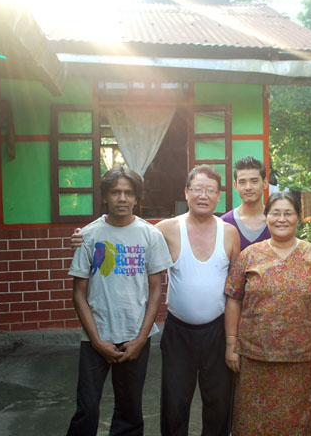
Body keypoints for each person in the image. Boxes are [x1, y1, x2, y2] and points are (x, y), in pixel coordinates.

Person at [67, 166, 173, 436]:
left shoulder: (151, 235)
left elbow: (156, 291)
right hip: (95, 336)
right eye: (115, 192)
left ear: (137, 198)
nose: (122, 198)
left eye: (128, 193)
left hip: (134, 337)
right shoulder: (88, 236)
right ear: (105, 196)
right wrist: (97, 341)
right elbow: (79, 293)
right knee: (87, 408)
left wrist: (140, 339)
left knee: (129, 410)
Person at [224, 191, 311, 435]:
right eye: (275, 213)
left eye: (288, 213)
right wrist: (231, 343)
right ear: (266, 217)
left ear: (299, 218)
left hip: (303, 362)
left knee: (302, 425)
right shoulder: (249, 255)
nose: (281, 219)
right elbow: (233, 298)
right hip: (255, 361)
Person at [155, 165, 241, 436]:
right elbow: (130, 239)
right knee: (174, 403)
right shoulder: (166, 229)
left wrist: (232, 339)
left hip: (216, 331)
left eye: (210, 190)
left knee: (218, 404)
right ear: (186, 192)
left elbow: (237, 289)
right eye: (197, 189)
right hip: (178, 331)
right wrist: (84, 239)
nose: (203, 195)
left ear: (218, 197)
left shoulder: (229, 232)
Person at [220, 156, 270, 251]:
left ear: (265, 183)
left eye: (254, 181)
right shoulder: (224, 223)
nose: (248, 187)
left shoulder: (276, 221)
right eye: (242, 182)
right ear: (235, 185)